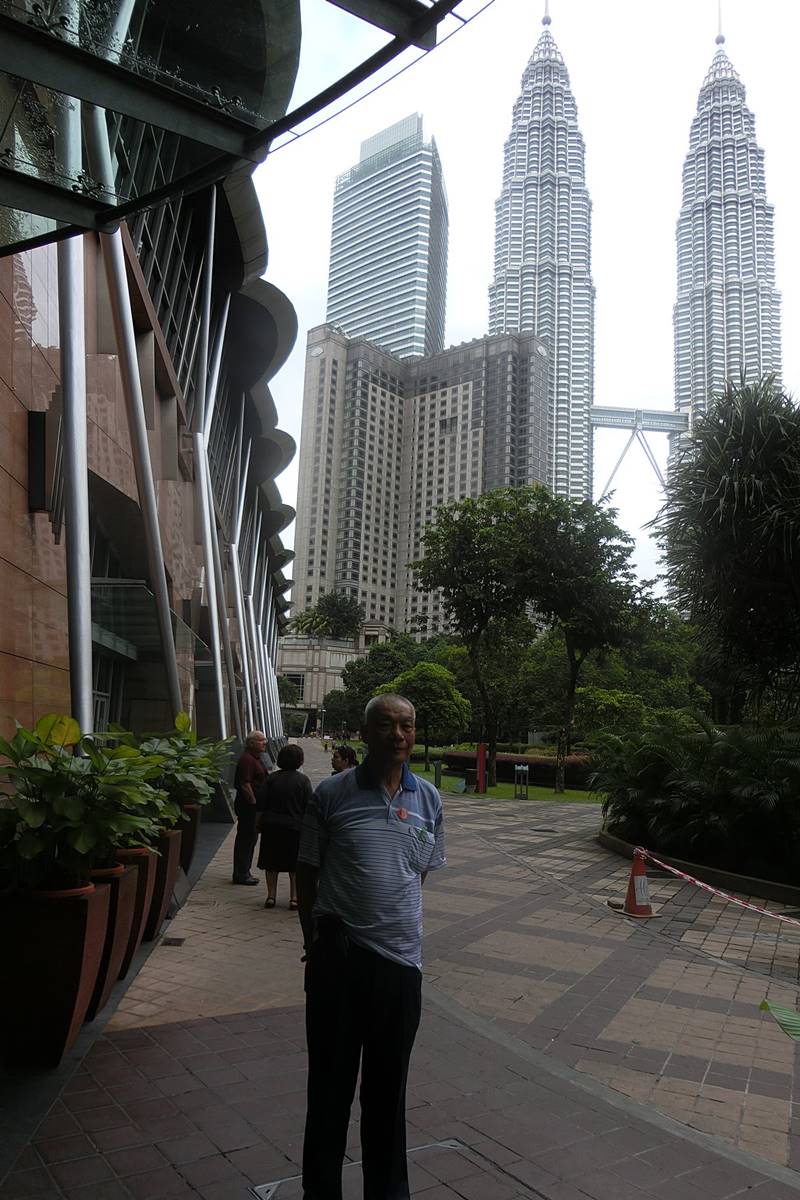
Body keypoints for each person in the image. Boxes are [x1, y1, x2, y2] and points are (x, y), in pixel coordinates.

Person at [297, 694, 445, 1200]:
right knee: (330, 1091)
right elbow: (307, 873)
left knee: (388, 1093)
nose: (398, 734)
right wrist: (314, 943)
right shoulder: (331, 793)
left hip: (402, 967)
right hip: (339, 961)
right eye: (386, 725)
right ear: (364, 733)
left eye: (407, 725)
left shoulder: (429, 799)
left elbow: (417, 874)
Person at [257, 743, 312, 910]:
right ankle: (294, 898)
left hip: (271, 826)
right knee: (294, 865)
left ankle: (271, 896)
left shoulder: (271, 779)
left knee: (271, 863)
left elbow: (261, 804)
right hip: (294, 827)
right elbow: (309, 806)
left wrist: (258, 824)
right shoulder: (303, 781)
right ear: (299, 760)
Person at [232, 730, 266, 885]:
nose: (264, 743)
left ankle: (244, 871)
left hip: (252, 807)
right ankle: (241, 873)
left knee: (250, 839)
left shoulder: (254, 758)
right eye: (261, 740)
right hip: (248, 807)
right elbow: (245, 784)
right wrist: (253, 803)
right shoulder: (247, 760)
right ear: (251, 743)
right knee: (246, 839)